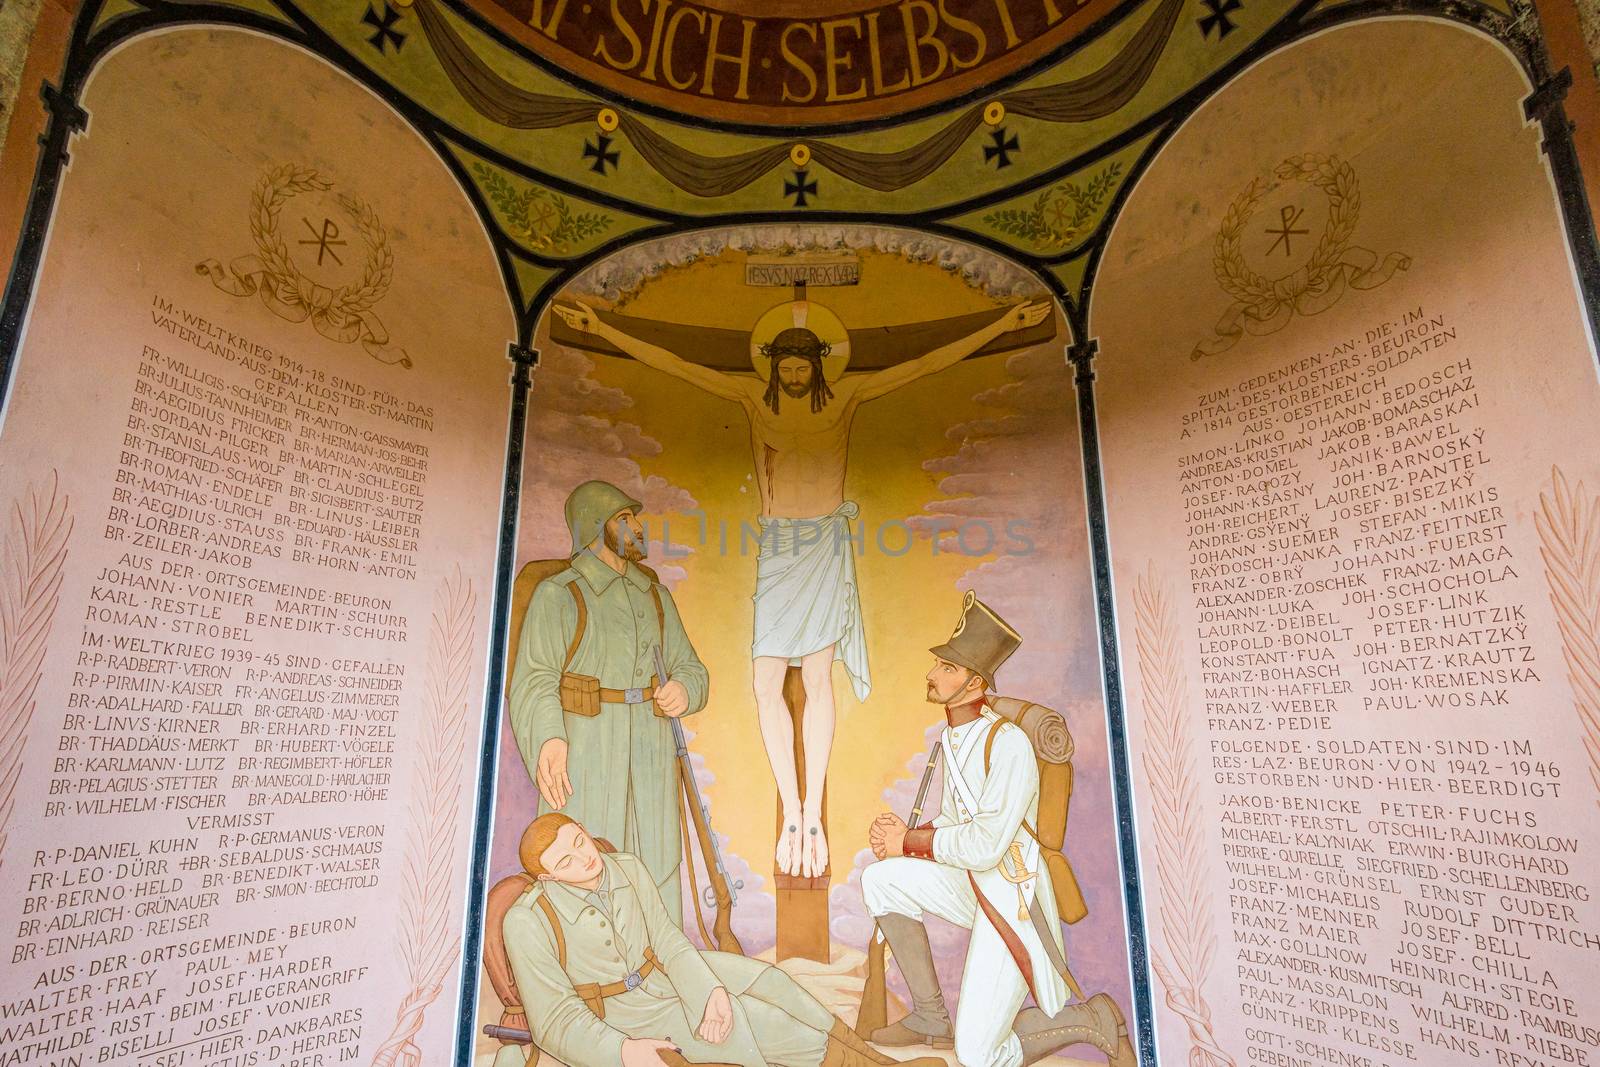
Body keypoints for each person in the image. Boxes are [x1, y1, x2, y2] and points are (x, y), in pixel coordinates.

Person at [551, 298, 1051, 878]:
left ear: (817, 366)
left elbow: (921, 367)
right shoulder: (752, 404)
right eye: (784, 367)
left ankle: (813, 816)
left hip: (821, 548)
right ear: (772, 369)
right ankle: (790, 812)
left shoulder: (846, 401)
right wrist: (603, 328)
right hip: (778, 551)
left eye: (801, 366)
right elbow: (683, 369)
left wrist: (1002, 324)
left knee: (817, 679)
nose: (792, 376)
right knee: (765, 684)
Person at [862, 594, 1132, 1067]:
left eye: (947, 667)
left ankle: (1090, 1020)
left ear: (974, 681)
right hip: (976, 886)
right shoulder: (952, 737)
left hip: (1012, 898)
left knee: (978, 1057)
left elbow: (986, 845)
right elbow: (952, 821)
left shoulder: (1007, 744)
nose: (933, 675)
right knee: (880, 879)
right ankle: (929, 1018)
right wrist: (904, 837)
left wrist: (906, 842)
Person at [501, 812, 947, 1067]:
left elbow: (670, 943)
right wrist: (622, 1050)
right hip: (621, 1013)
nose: (585, 858)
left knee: (777, 984)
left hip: (667, 975)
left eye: (581, 840)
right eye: (566, 860)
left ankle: (873, 1060)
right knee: (763, 1022)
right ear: (546, 876)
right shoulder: (527, 921)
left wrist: (708, 990)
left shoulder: (626, 867)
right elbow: (554, 1022)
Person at [508, 480, 709, 924]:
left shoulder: (655, 596)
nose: (638, 527)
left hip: (652, 752)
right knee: (585, 860)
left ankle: (663, 969)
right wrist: (549, 740)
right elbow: (534, 679)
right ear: (596, 526)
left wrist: (684, 690)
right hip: (587, 748)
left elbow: (692, 669)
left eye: (634, 517)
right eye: (624, 518)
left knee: (656, 859)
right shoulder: (559, 593)